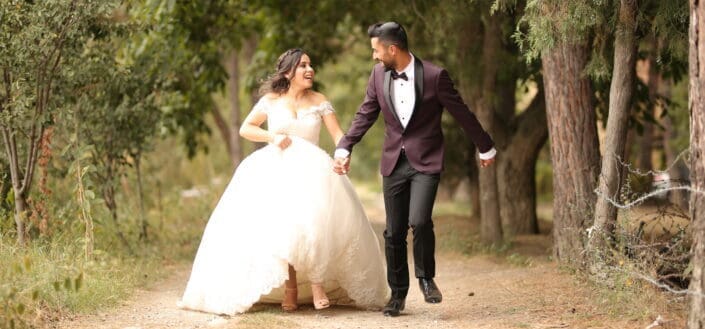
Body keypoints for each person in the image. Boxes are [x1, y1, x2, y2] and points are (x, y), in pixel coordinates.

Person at [178, 48, 388, 315]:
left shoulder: (319, 100)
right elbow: (246, 128)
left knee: (315, 221)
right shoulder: (270, 100)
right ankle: (290, 288)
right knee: (284, 225)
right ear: (288, 72)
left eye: (310, 65)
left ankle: (317, 284)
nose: (309, 70)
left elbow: (338, 135)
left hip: (315, 171)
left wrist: (341, 154)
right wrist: (272, 137)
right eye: (302, 66)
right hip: (277, 168)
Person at [333, 22, 497, 317]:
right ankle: (397, 295)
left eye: (376, 50)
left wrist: (485, 146)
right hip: (394, 162)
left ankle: (426, 277)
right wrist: (345, 146)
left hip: (427, 160)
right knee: (394, 232)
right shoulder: (377, 76)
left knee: (419, 221)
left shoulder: (435, 76)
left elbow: (462, 113)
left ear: (392, 49)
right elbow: (365, 114)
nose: (374, 56)